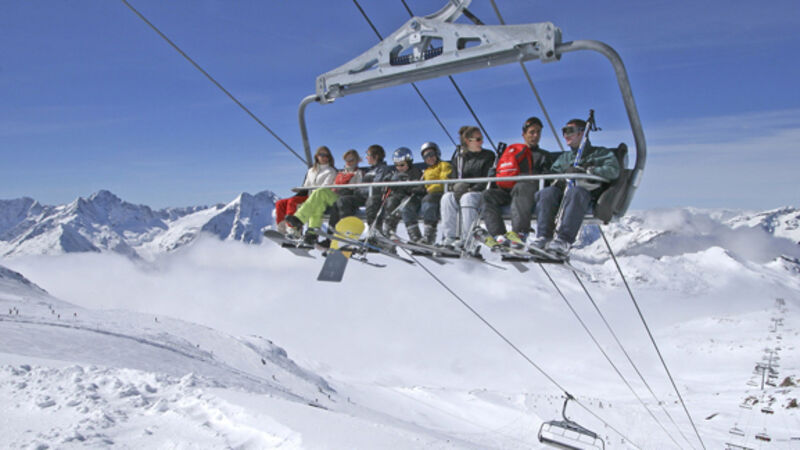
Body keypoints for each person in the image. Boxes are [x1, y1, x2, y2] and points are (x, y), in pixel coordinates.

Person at [531, 118, 620, 258]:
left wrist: (589, 170)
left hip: (587, 192)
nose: (566, 135)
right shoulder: (565, 158)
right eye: (564, 132)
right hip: (565, 191)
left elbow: (613, 170)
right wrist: (562, 174)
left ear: (582, 133)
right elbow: (552, 173)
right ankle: (543, 237)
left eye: (570, 131)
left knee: (576, 192)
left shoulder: (600, 153)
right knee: (547, 193)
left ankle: (564, 240)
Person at [479, 117, 555, 249]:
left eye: (538, 132)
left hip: (528, 192)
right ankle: (499, 235)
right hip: (509, 192)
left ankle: (520, 233)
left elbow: (547, 177)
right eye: (532, 132)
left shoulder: (543, 155)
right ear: (524, 134)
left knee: (522, 186)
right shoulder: (513, 153)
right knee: (487, 195)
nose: (535, 135)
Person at [285, 149, 363, 244]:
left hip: (345, 199)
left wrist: (346, 186)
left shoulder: (358, 173)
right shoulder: (341, 173)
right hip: (334, 196)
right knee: (318, 204)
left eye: (351, 160)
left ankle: (300, 219)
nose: (349, 162)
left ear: (357, 160)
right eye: (347, 160)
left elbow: (358, 189)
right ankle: (312, 234)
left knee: (320, 192)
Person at [440, 126, 495, 249]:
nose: (482, 142)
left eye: (481, 139)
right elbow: (453, 178)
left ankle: (468, 239)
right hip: (463, 191)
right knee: (447, 197)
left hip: (479, 192)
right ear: (468, 141)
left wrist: (471, 189)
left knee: (467, 198)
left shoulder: (488, 156)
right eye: (478, 139)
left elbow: (488, 178)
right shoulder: (459, 159)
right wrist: (455, 186)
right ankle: (450, 237)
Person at [328, 144, 394, 231]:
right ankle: (339, 229)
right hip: (364, 196)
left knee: (370, 201)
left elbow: (376, 187)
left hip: (374, 197)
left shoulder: (382, 169)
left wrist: (359, 190)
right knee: (342, 200)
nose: (366, 157)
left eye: (368, 155)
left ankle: (371, 231)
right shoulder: (370, 170)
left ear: (376, 156)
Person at [273, 146, 336, 234]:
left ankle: (294, 230)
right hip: (308, 195)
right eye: (321, 155)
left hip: (319, 197)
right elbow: (306, 186)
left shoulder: (331, 171)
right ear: (317, 156)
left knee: (293, 201)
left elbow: (325, 187)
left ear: (329, 157)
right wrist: (299, 190)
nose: (324, 157)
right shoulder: (311, 171)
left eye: (326, 155)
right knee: (280, 203)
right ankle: (282, 230)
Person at [382, 147, 426, 242]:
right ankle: (389, 230)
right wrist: (390, 183)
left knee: (406, 206)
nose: (399, 168)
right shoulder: (395, 174)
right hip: (399, 197)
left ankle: (415, 236)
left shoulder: (416, 172)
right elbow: (391, 188)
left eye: (402, 165)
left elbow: (420, 188)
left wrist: (407, 185)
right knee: (391, 202)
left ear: (409, 163)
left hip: (413, 197)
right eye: (396, 165)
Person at [419, 141, 452, 244]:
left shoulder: (444, 165)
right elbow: (423, 184)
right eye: (426, 157)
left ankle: (431, 235)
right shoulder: (426, 171)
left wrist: (430, 189)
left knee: (429, 199)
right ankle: (424, 234)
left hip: (442, 192)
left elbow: (444, 181)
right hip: (430, 195)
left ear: (437, 153)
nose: (429, 158)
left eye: (431, 154)